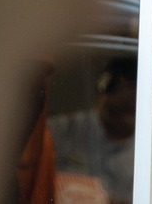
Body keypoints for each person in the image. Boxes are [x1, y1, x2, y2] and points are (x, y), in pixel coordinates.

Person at [48, 58, 137, 204]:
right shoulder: (59, 131)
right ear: (104, 90)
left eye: (135, 109)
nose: (130, 112)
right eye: (124, 106)